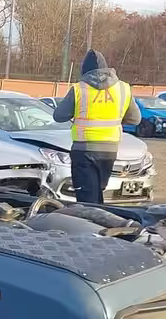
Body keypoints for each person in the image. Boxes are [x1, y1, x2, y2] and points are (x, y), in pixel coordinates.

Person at [51, 49, 140, 204]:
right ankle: (99, 223)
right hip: (109, 151)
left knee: (86, 197)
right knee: (98, 192)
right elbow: (135, 119)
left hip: (84, 150)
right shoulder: (123, 89)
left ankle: (89, 225)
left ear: (84, 70)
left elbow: (58, 116)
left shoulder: (79, 89)